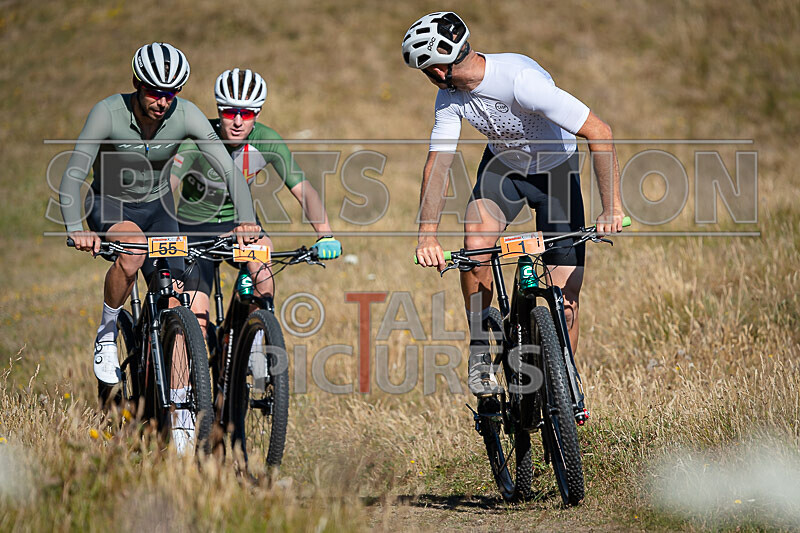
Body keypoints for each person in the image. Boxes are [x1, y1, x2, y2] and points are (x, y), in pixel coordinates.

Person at [405, 13, 625, 396]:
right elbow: (438, 162)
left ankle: (565, 383)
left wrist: (612, 209)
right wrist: (427, 235)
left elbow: (599, 131)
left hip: (556, 173)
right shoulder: (450, 98)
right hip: (503, 169)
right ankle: (480, 351)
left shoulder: (521, 82)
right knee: (476, 241)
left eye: (425, 71)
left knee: (565, 299)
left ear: (439, 70)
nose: (429, 79)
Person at [59, 43, 260, 450]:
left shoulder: (183, 114)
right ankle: (108, 328)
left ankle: (182, 409)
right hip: (110, 203)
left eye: (171, 93)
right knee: (132, 251)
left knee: (180, 301)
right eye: (154, 91)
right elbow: (74, 173)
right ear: (137, 85)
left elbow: (228, 168)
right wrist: (76, 227)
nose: (162, 101)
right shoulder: (108, 112)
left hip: (159, 209)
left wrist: (246, 218)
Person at [170, 68, 340, 337]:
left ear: (257, 114)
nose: (237, 121)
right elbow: (169, 184)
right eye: (229, 112)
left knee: (262, 273)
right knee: (197, 323)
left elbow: (304, 190)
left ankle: (253, 342)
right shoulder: (197, 139)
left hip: (242, 225)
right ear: (218, 111)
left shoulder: (267, 140)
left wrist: (325, 235)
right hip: (193, 230)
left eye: (247, 114)